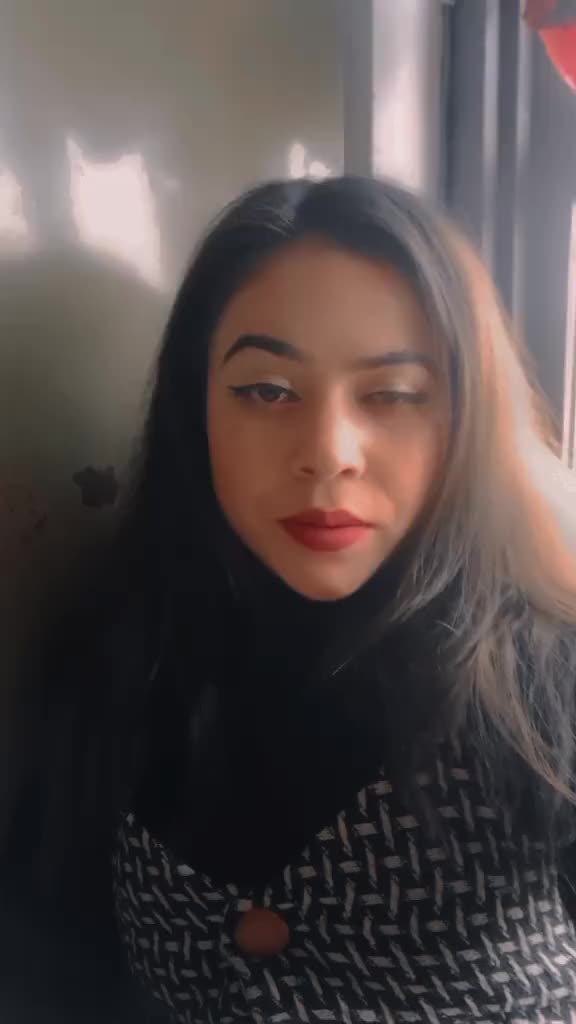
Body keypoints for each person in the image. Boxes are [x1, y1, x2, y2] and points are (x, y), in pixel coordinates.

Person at [3, 175, 576, 1023]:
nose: (329, 452)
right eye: (267, 390)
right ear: (195, 409)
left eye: (393, 394)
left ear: (466, 417)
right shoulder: (118, 651)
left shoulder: (544, 684)